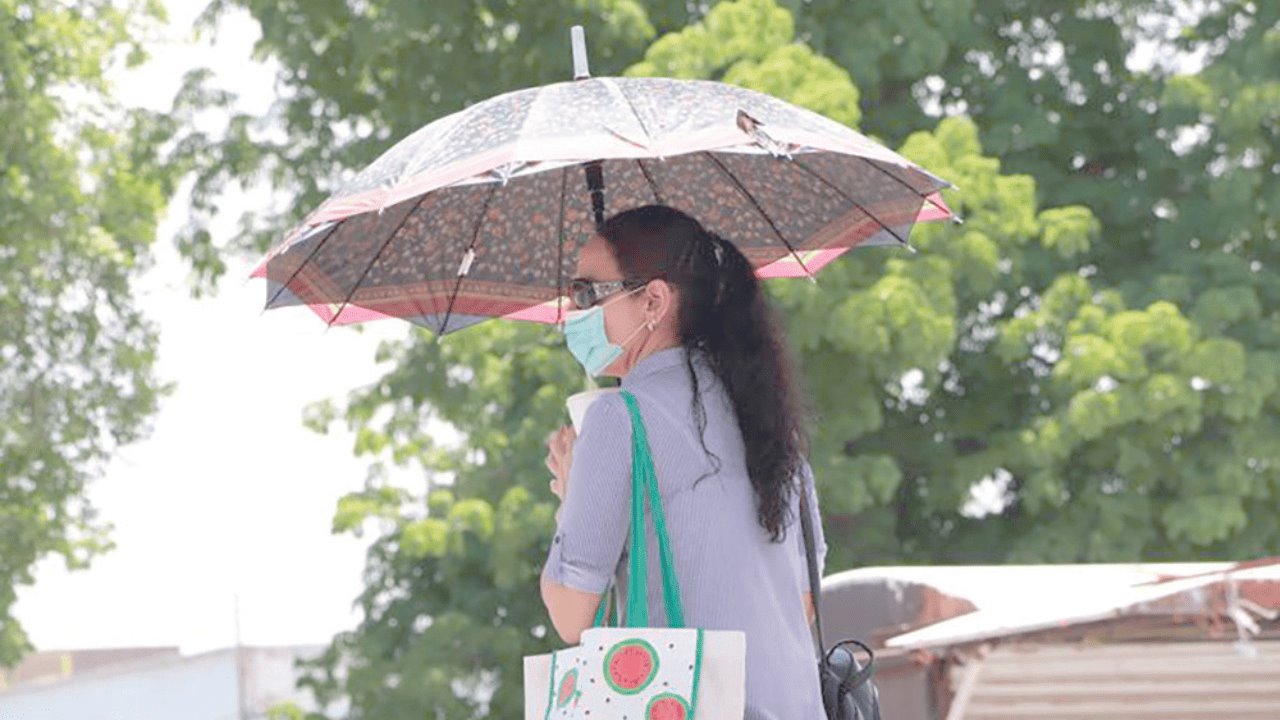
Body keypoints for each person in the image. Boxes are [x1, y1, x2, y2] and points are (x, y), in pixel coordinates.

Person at [540, 204, 828, 719]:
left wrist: (572, 501)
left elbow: (571, 614)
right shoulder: (768, 418)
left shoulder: (619, 416)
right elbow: (801, 602)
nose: (573, 312)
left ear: (653, 299)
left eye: (586, 293)